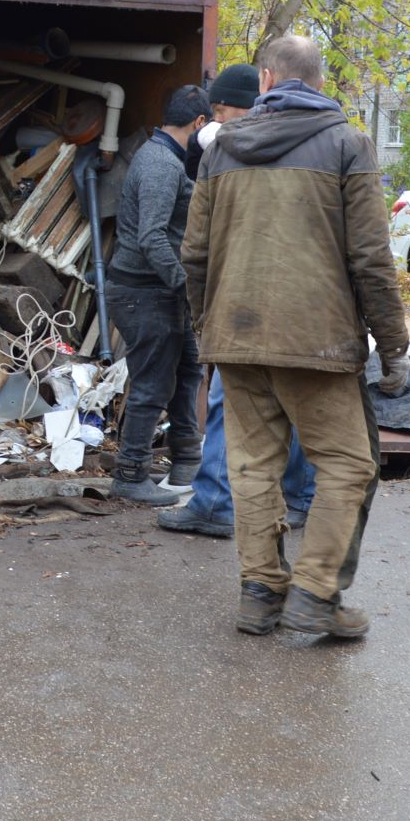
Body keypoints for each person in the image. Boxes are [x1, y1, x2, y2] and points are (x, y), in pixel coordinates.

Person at [183, 35, 410, 638]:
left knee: (253, 466)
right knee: (347, 465)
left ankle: (260, 595)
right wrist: (394, 347)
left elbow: (195, 254)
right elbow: (370, 257)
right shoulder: (347, 144)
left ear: (264, 80)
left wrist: (206, 328)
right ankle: (314, 594)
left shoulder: (221, 150)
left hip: (236, 335)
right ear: (316, 80)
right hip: (317, 340)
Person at [160, 65, 317, 539]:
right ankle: (301, 497)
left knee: (228, 398)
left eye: (223, 110)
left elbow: (198, 246)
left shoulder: (231, 153)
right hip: (307, 300)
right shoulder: (326, 141)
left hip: (246, 298)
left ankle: (214, 502)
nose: (216, 120)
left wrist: (200, 309)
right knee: (295, 398)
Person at [105, 84, 212, 506]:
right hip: (143, 292)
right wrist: (187, 287)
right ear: (199, 123)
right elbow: (151, 237)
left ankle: (187, 458)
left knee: (187, 370)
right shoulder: (161, 165)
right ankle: (130, 474)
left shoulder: (163, 157)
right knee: (152, 384)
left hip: (159, 291)